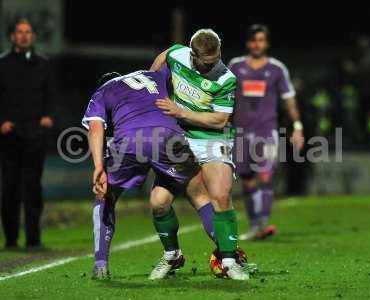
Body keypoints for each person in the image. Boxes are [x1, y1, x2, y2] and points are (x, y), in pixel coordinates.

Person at [83, 67, 218, 280]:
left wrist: (99, 166)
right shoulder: (152, 75)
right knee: (189, 196)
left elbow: (95, 128)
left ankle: (101, 264)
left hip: (129, 141)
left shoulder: (103, 90)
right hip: (169, 136)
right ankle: (228, 256)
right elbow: (177, 68)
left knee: (105, 195)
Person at [150, 29, 249, 280]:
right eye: (207, 62)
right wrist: (153, 89)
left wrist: (180, 112)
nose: (213, 64)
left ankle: (229, 261)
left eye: (216, 59)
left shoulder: (226, 78)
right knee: (158, 202)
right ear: (193, 55)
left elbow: (220, 120)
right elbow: (162, 60)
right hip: (178, 140)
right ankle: (172, 255)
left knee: (220, 195)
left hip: (211, 139)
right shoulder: (177, 54)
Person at [229, 24, 304, 240]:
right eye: (253, 40)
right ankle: (255, 225)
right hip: (241, 132)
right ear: (247, 43)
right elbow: (225, 94)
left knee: (265, 174)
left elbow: (289, 100)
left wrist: (297, 127)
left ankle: (263, 223)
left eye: (261, 40)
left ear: (266, 43)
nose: (257, 44)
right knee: (247, 180)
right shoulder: (236, 66)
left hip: (266, 131)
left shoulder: (277, 69)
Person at [0, 18, 55, 249]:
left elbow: (51, 95)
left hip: (35, 134)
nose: (24, 35)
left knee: (33, 187)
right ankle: (11, 239)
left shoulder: (43, 64)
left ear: (32, 36)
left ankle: (34, 239)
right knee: (9, 188)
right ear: (12, 36)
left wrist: (48, 116)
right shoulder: (2, 64)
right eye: (19, 32)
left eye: (28, 31)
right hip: (9, 135)